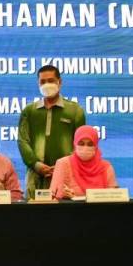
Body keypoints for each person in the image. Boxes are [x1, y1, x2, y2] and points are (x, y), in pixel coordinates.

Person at [18, 65, 86, 200]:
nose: (46, 85)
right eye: (42, 82)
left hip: (67, 174)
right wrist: (36, 165)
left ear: (59, 82)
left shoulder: (75, 110)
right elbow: (23, 141)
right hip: (35, 175)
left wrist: (63, 166)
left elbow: (80, 143)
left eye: (51, 80)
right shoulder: (29, 111)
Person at [49, 125, 118, 199]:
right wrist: (62, 194)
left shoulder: (106, 167)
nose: (85, 147)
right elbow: (52, 196)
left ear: (96, 145)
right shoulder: (63, 164)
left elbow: (114, 197)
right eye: (81, 144)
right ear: (75, 144)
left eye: (90, 144)